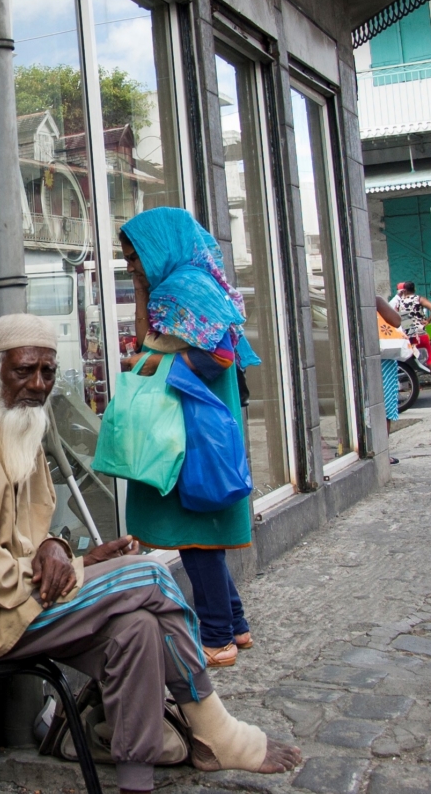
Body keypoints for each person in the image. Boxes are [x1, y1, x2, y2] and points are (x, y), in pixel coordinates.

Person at [0, 313, 301, 794]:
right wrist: (87, 572)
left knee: (139, 627)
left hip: (11, 606)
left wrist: (72, 555)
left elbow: (33, 541)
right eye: (24, 371)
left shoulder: (20, 428)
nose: (38, 385)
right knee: (149, 577)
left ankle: (136, 783)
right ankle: (216, 730)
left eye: (47, 372)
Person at [116, 207, 260, 670]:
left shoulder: (186, 288)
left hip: (190, 432)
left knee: (196, 538)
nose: (131, 266)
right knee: (200, 535)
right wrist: (141, 290)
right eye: (127, 260)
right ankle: (235, 622)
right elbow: (147, 340)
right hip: (190, 427)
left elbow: (216, 355)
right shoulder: (179, 285)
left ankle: (217, 639)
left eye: (135, 257)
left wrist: (160, 366)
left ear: (160, 247)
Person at [394, 282, 431, 388]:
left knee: (410, 358)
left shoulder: (399, 302)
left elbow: (395, 315)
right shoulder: (418, 298)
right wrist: (428, 321)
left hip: (408, 333)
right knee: (430, 356)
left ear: (404, 291)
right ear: (414, 288)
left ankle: (415, 384)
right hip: (421, 331)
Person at [376, 295, 403, 465]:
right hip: (382, 358)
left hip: (358, 359)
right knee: (385, 405)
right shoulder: (374, 299)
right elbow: (396, 321)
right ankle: (383, 452)